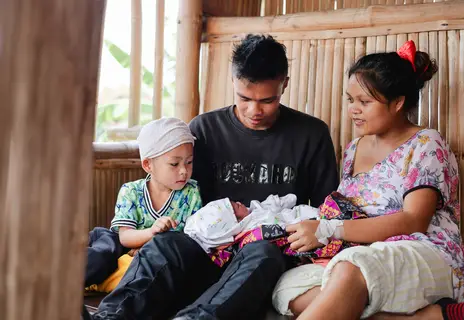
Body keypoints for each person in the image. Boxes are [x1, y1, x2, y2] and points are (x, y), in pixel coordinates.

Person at [91, 34, 339, 320]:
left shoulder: (311, 134)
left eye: (268, 100)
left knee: (263, 253)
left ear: (284, 83)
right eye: (244, 98)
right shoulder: (206, 129)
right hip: (206, 251)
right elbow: (183, 198)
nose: (254, 111)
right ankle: (109, 317)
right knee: (166, 245)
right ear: (233, 82)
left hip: (262, 257)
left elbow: (325, 211)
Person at [271, 40, 464, 320]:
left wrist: (330, 230)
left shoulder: (426, 144)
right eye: (351, 100)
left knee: (352, 269)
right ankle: (425, 317)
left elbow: (414, 220)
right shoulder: (354, 148)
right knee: (287, 287)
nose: (354, 109)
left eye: (365, 102)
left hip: (424, 251)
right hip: (363, 252)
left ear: (397, 103)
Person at [85, 117, 202, 289]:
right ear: (148, 165)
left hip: (151, 257)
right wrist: (152, 232)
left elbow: (191, 240)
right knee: (104, 251)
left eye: (189, 162)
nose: (184, 171)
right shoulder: (131, 191)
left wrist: (150, 247)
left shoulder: (191, 193)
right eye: (174, 164)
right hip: (120, 246)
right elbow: (124, 237)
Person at [184, 194, 319, 252]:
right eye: (236, 207)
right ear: (236, 222)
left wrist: (280, 201)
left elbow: (268, 204)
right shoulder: (253, 229)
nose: (239, 203)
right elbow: (280, 229)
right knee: (309, 216)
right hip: (293, 222)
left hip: (288, 213)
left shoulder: (252, 209)